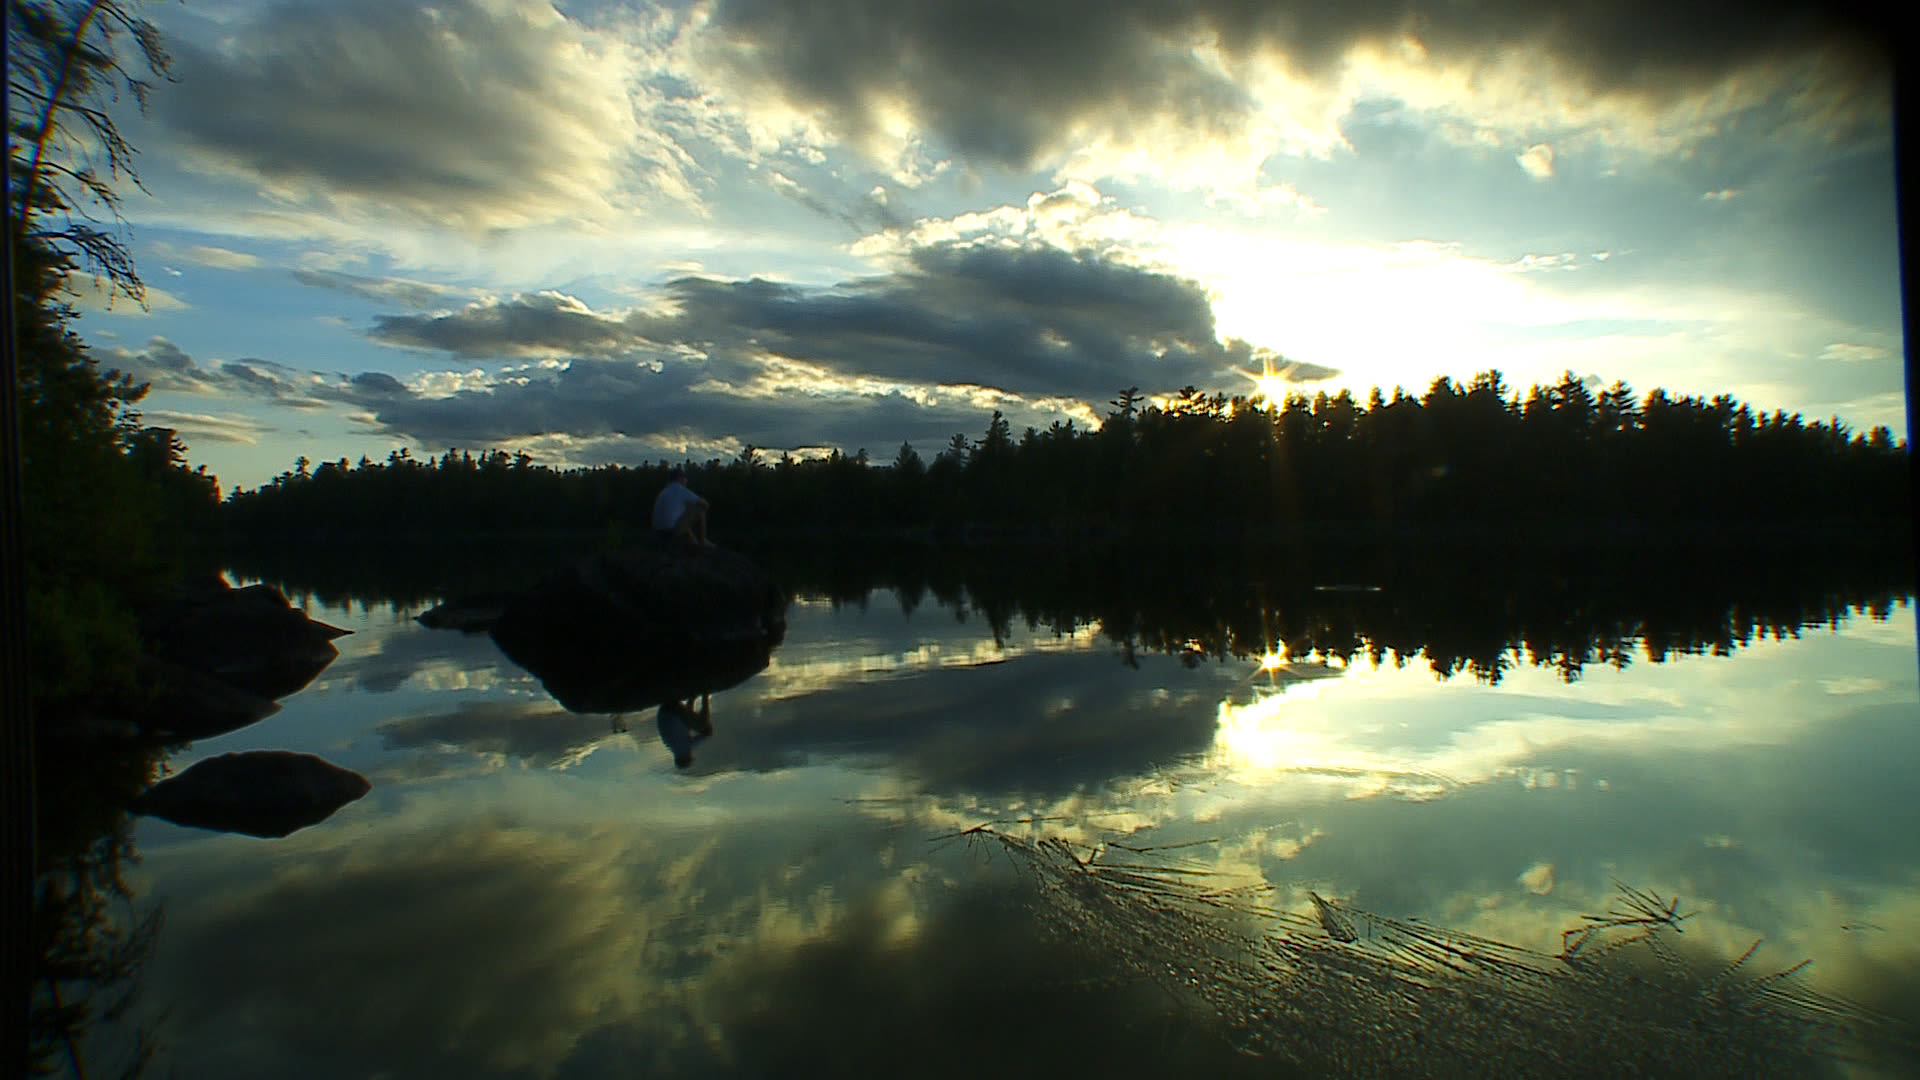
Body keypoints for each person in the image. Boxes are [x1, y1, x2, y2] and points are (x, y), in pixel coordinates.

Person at [651, 465, 711, 549]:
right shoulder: (680, 489)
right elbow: (705, 504)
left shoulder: (664, 491)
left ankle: (694, 543)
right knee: (700, 510)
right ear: (680, 478)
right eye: (685, 478)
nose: (686, 481)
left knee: (684, 515)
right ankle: (702, 541)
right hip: (671, 531)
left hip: (658, 531)